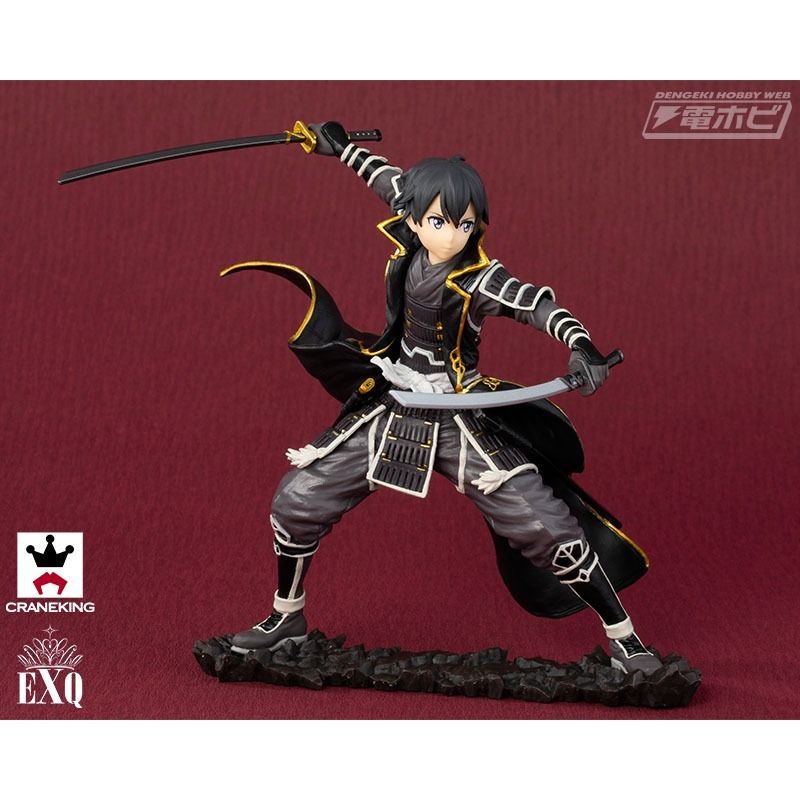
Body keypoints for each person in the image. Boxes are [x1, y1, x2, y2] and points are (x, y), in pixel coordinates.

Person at [229, 121, 663, 675]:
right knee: (298, 500)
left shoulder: (480, 278)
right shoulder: (409, 242)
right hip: (396, 402)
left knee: (543, 524)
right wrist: (341, 148)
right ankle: (286, 616)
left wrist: (581, 345)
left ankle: (625, 639)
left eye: (465, 222)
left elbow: (535, 303)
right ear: (413, 219)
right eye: (438, 221)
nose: (453, 233)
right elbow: (388, 180)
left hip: (459, 413)